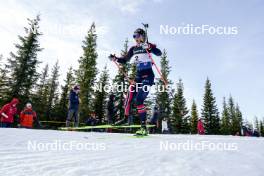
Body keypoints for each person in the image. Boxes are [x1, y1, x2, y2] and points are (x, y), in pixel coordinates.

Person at [109, 28, 162, 135]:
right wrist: (115, 58)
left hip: (148, 77)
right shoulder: (133, 49)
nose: (135, 38)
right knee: (129, 96)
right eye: (134, 36)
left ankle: (143, 128)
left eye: (137, 36)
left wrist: (150, 47)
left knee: (139, 100)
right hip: (138, 77)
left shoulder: (148, 46)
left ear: (143, 36)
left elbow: (159, 53)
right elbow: (125, 60)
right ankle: (126, 118)